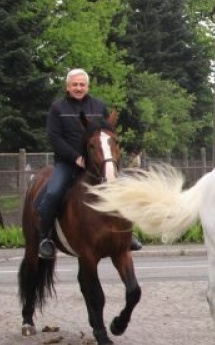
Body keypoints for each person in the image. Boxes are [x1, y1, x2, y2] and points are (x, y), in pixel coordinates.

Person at [38, 69, 141, 258]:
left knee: (125, 191)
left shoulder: (98, 106)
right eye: (75, 85)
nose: (78, 88)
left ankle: (127, 234)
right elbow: (55, 137)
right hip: (68, 163)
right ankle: (45, 238)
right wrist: (75, 157)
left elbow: (107, 133)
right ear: (68, 86)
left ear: (87, 86)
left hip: (97, 164)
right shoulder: (58, 108)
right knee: (52, 194)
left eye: (82, 84)